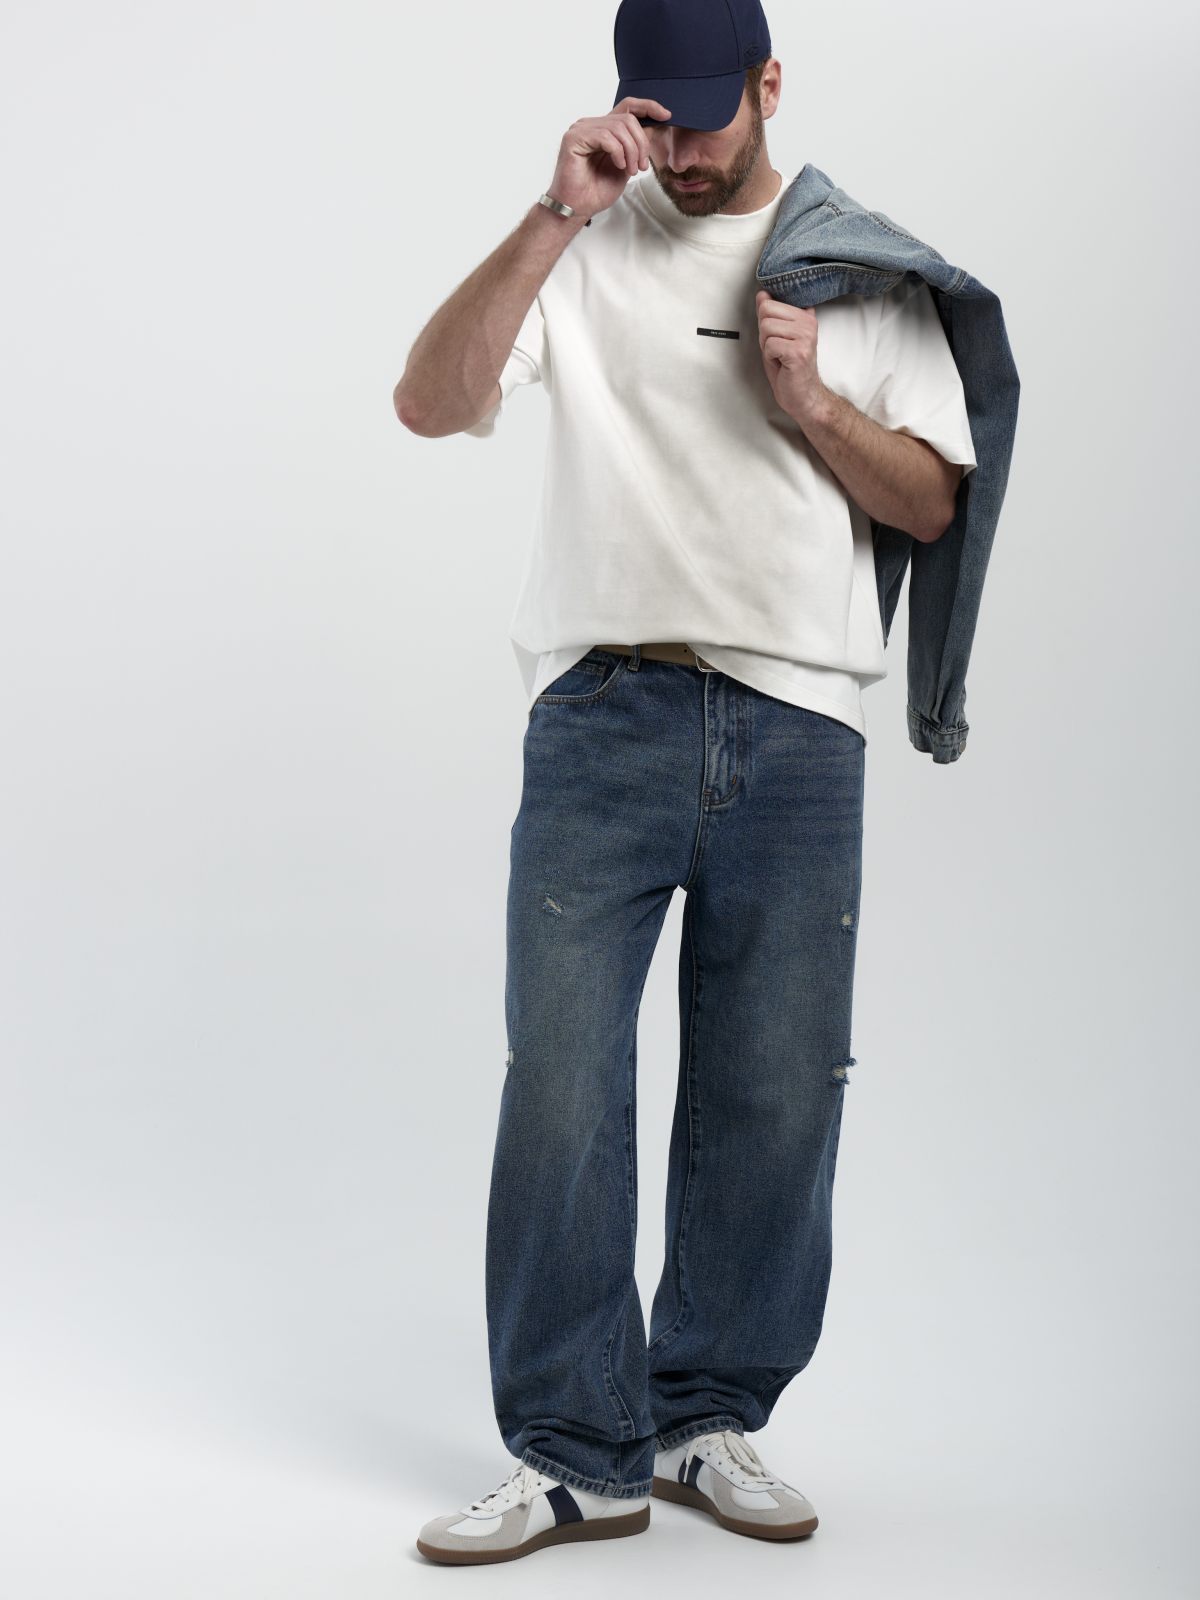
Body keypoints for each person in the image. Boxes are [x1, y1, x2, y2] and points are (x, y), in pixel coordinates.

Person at [394, 0, 976, 1566]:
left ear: (772, 85)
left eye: (709, 112)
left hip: (798, 726)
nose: (682, 146)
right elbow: (430, 402)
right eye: (656, 113)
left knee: (776, 1093)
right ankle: (574, 1452)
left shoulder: (855, 267)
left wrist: (814, 405)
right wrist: (551, 214)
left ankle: (702, 1418)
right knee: (560, 1081)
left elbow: (933, 501)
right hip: (604, 713)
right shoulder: (587, 241)